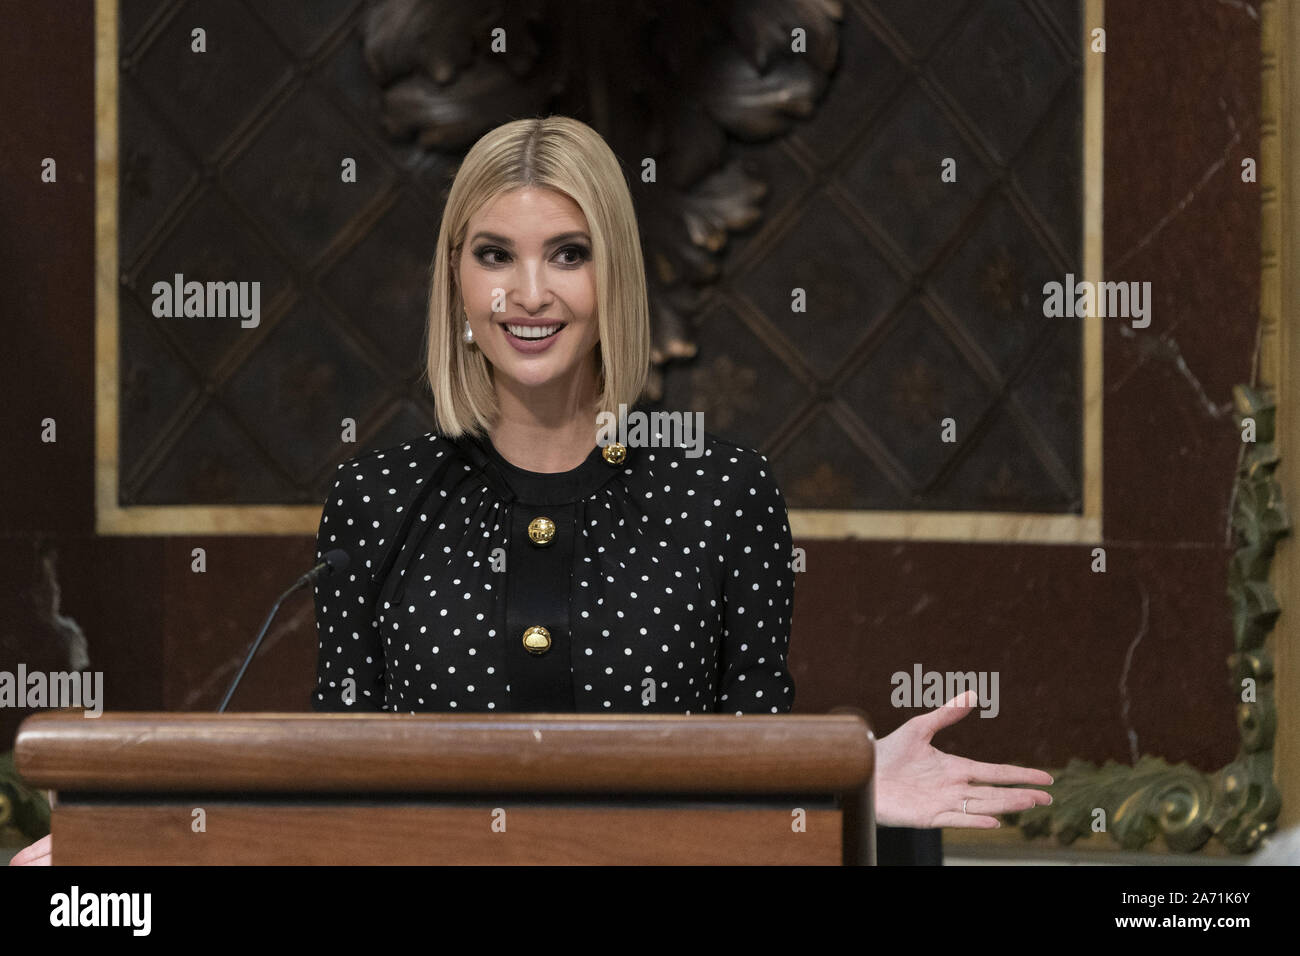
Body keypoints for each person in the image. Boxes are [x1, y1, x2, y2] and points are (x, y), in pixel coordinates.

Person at [9, 115, 1049, 866]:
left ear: (615, 282)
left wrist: (858, 784)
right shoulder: (380, 494)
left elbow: (758, 783)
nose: (530, 293)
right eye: (494, 254)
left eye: (568, 254)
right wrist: (124, 842)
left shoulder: (724, 493)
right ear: (458, 283)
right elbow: (330, 783)